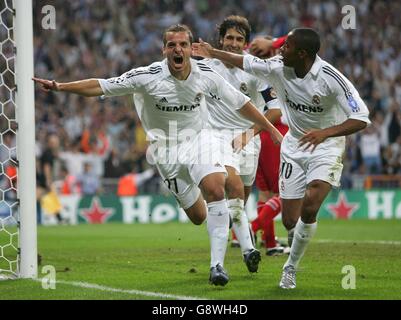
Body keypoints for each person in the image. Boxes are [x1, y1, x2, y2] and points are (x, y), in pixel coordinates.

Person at [33, 24, 283, 286]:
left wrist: (269, 130)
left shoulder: (205, 73)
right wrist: (61, 86)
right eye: (172, 45)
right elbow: (101, 86)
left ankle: (217, 266)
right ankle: (228, 226)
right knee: (198, 216)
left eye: (183, 45)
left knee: (216, 187)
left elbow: (242, 104)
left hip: (200, 140)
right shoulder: (147, 76)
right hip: (165, 151)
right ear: (164, 49)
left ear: (190, 49)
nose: (178, 49)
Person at [193, 27, 370, 289]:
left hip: (326, 146)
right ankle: (287, 238)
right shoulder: (278, 67)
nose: (280, 49)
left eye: (286, 46)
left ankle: (290, 268)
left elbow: (361, 118)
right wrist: (212, 52)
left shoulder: (332, 79)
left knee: (311, 203)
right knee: (289, 220)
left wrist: (324, 133)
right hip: (294, 147)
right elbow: (246, 61)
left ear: (302, 54)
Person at [200, 15, 282, 272]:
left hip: (248, 140)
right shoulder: (206, 66)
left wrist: (250, 132)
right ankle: (240, 253)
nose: (233, 43)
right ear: (221, 40)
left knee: (241, 199)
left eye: (239, 39)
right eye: (229, 38)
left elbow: (275, 110)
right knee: (231, 186)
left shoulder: (256, 68)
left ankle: (239, 237)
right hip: (217, 137)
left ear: (245, 43)